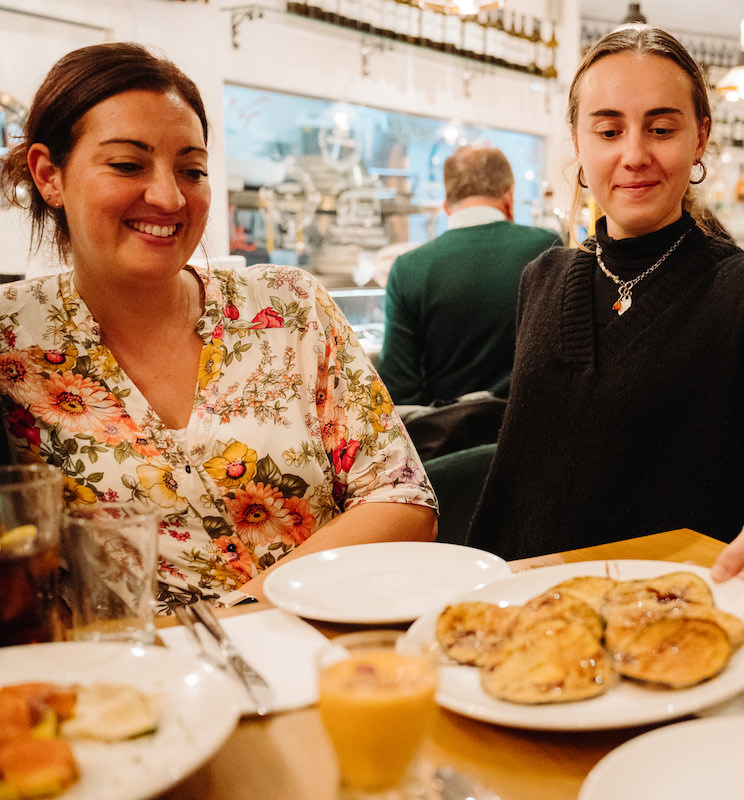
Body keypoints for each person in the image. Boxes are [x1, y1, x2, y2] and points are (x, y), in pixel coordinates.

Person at [0, 42, 436, 611]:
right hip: (130, 683)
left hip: (332, 653)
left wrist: (240, 618)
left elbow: (403, 497)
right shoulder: (12, 340)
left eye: (192, 169)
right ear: (48, 175)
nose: (169, 195)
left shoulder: (288, 308)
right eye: (128, 164)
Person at [465, 27, 744, 602]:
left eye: (661, 129)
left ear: (700, 137)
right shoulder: (542, 277)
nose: (634, 155)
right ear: (578, 143)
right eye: (609, 130)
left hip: (673, 618)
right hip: (521, 609)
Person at [378, 143, 561, 407]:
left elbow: (400, 391)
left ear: (447, 206)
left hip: (449, 441)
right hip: (535, 432)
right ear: (509, 196)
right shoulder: (547, 247)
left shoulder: (408, 268)